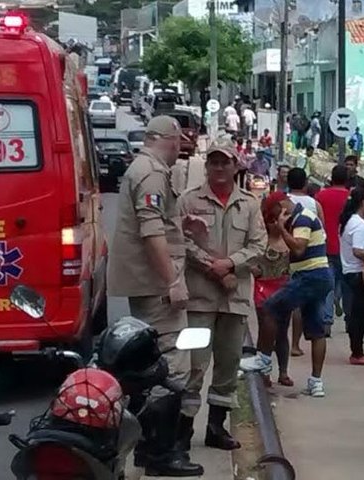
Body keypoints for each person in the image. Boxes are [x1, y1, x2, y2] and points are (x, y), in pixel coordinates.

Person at [108, 116, 203, 476]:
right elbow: (151, 233)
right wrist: (172, 282)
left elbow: (158, 223)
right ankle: (160, 453)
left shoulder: (144, 169)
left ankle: (151, 449)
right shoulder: (151, 173)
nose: (181, 148)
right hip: (156, 288)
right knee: (170, 368)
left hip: (149, 285)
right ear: (170, 139)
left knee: (155, 363)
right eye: (180, 141)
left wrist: (181, 224)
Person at [178, 139, 267, 452]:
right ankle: (182, 429)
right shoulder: (189, 200)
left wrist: (229, 263)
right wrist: (212, 267)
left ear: (235, 166)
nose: (218, 167)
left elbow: (258, 246)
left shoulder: (249, 204)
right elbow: (180, 241)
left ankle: (216, 427)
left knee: (228, 365)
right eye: (213, 162)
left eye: (224, 162)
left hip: (235, 300)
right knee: (193, 365)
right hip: (199, 299)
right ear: (206, 166)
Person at [240, 192, 334, 398]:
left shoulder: (302, 219)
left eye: (273, 213)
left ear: (281, 205)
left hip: (308, 275)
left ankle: (263, 359)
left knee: (270, 307)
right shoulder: (305, 217)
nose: (274, 219)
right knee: (316, 330)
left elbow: (298, 248)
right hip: (321, 275)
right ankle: (316, 382)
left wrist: (282, 229)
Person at [252, 193, 295, 388]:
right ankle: (264, 370)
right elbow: (250, 259)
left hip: (283, 288)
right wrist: (254, 269)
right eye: (276, 220)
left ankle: (283, 371)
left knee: (282, 332)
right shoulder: (261, 240)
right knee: (265, 332)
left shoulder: (289, 240)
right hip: (263, 289)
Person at [339, 187, 364, 365]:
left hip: (350, 271)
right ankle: (357, 351)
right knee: (360, 314)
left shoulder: (350, 221)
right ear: (363, 202)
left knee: (357, 313)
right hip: (359, 272)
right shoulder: (359, 225)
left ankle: (356, 349)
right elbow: (358, 250)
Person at [316, 165, 352, 324]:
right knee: (343, 281)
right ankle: (339, 299)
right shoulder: (351, 198)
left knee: (328, 281)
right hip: (347, 246)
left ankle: (327, 317)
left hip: (326, 244)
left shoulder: (321, 196)